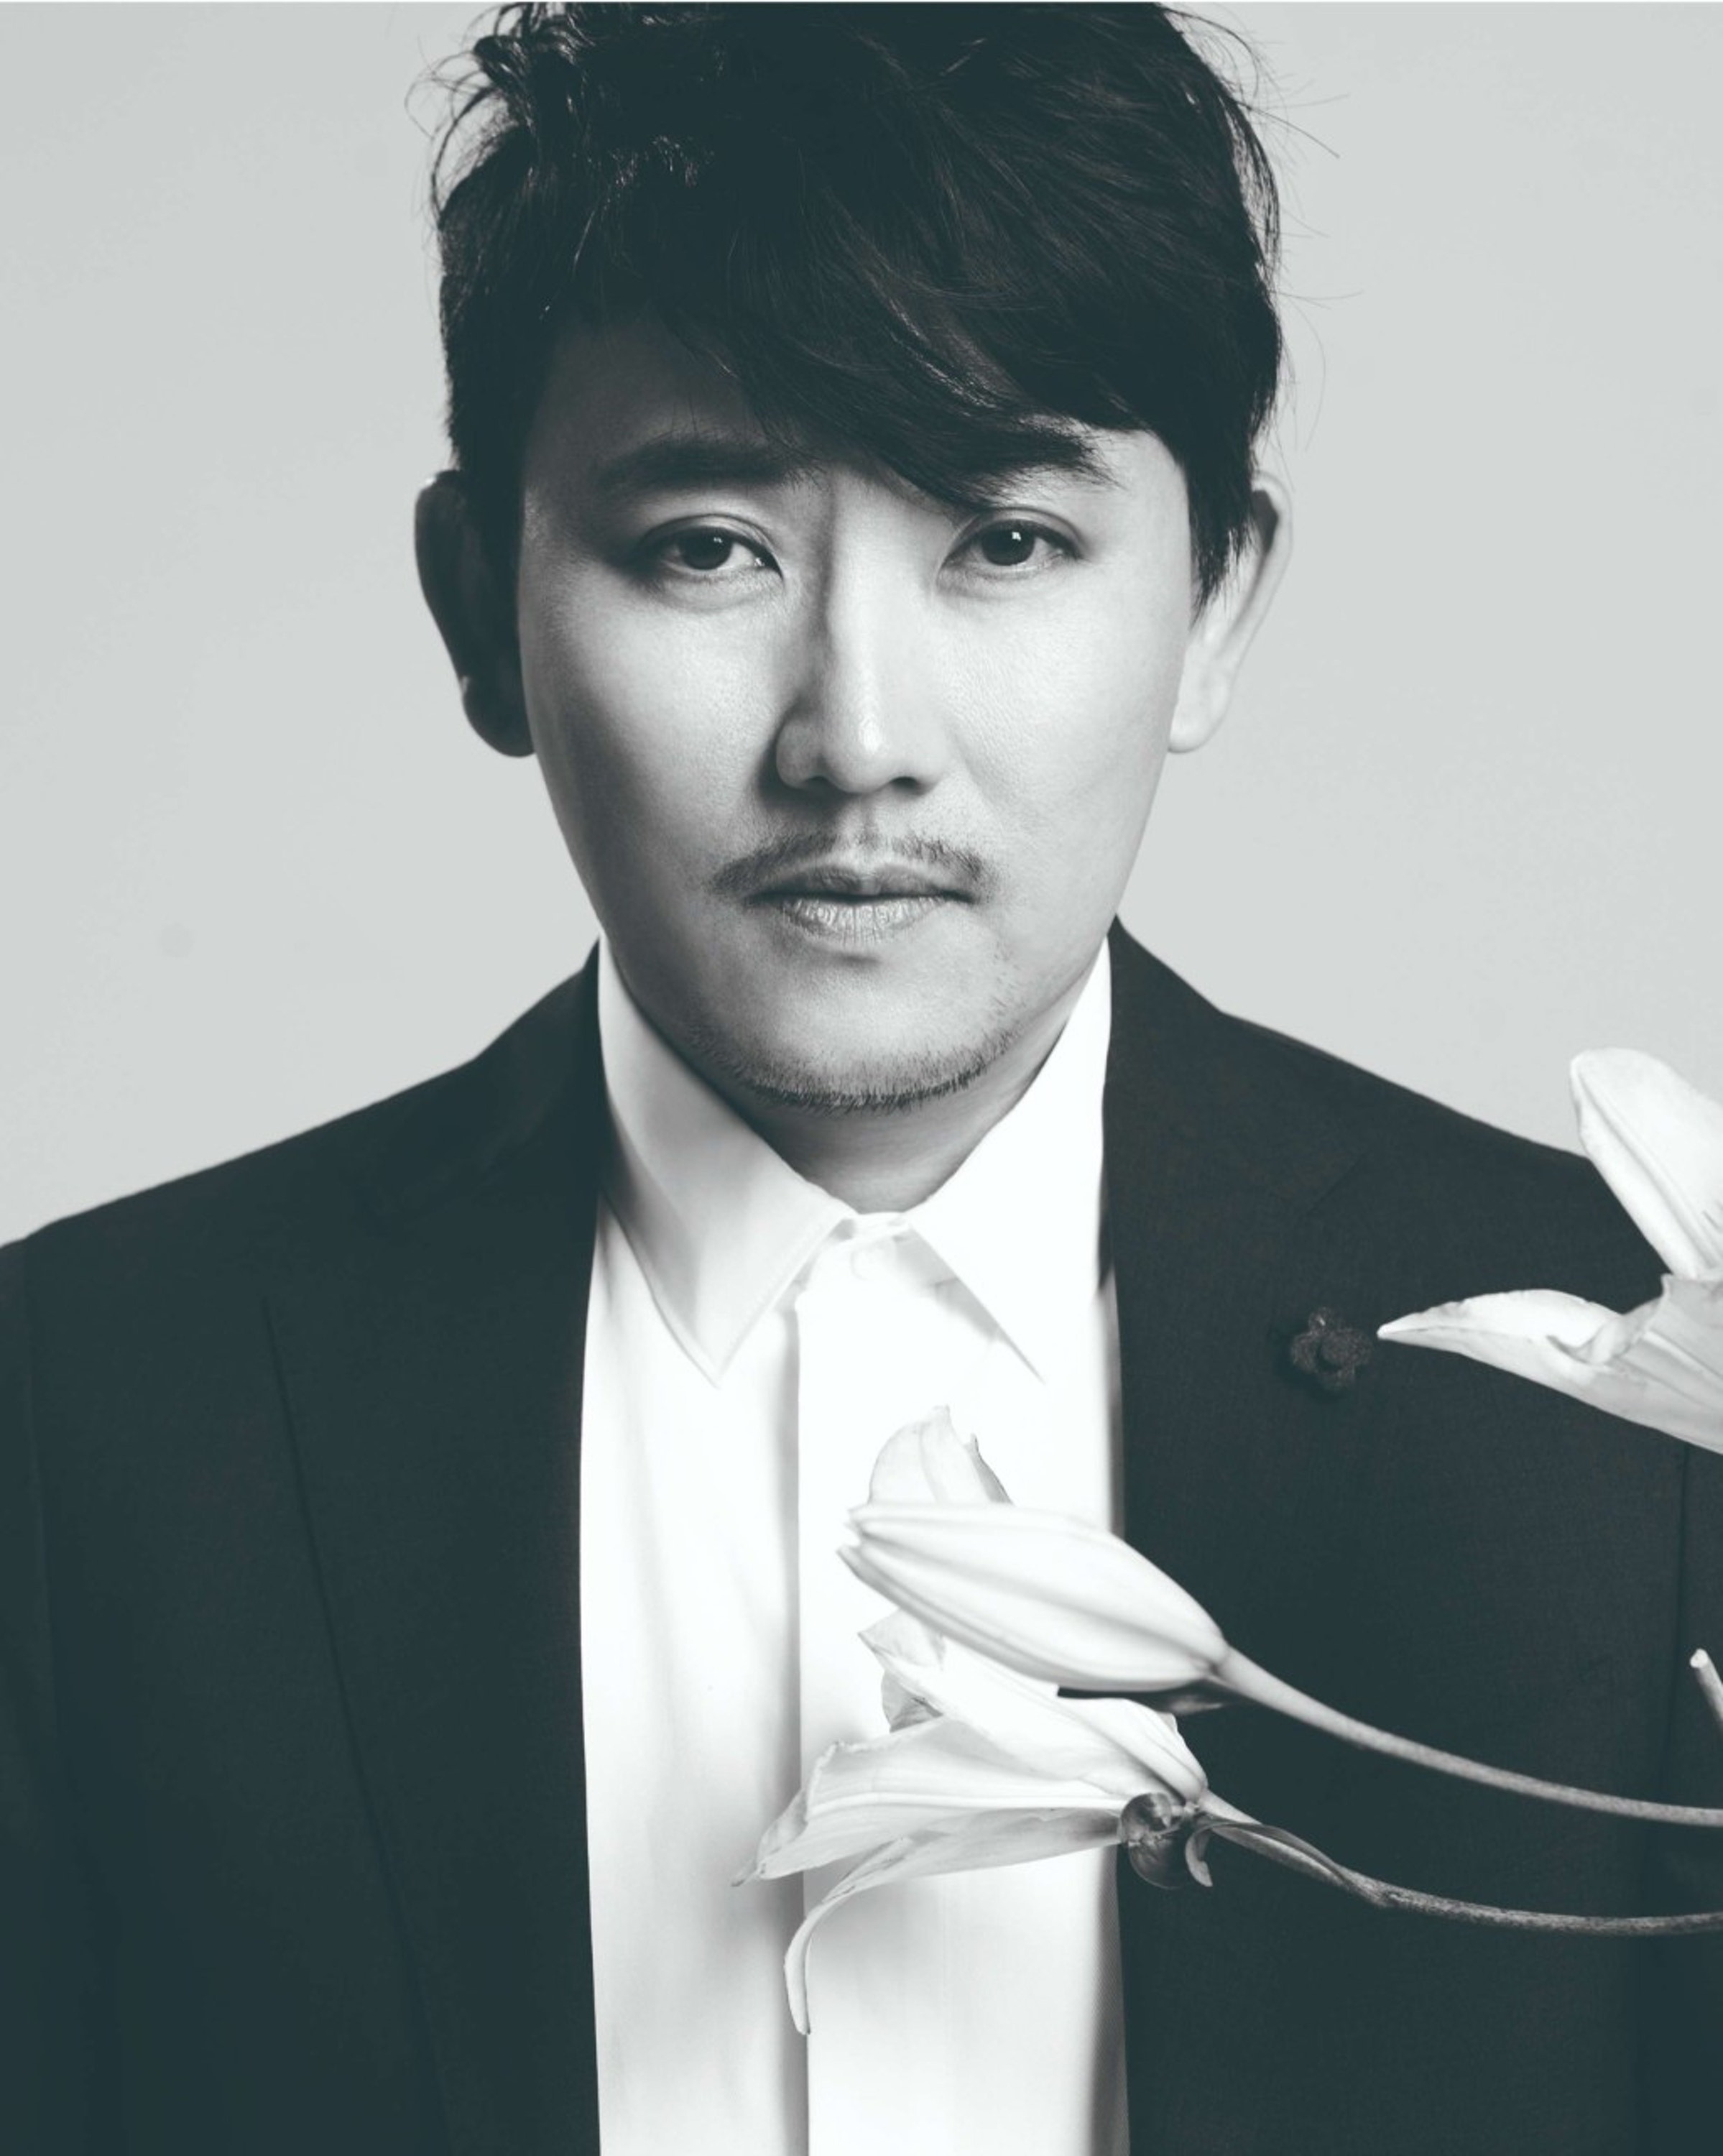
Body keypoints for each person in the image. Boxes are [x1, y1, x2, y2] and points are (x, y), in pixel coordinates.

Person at [3, 6, 1718, 2152]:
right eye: (706, 545)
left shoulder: (1643, 1403)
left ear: (1213, 606)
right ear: (478, 608)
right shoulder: (83, 1421)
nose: (857, 738)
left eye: (1004, 539)